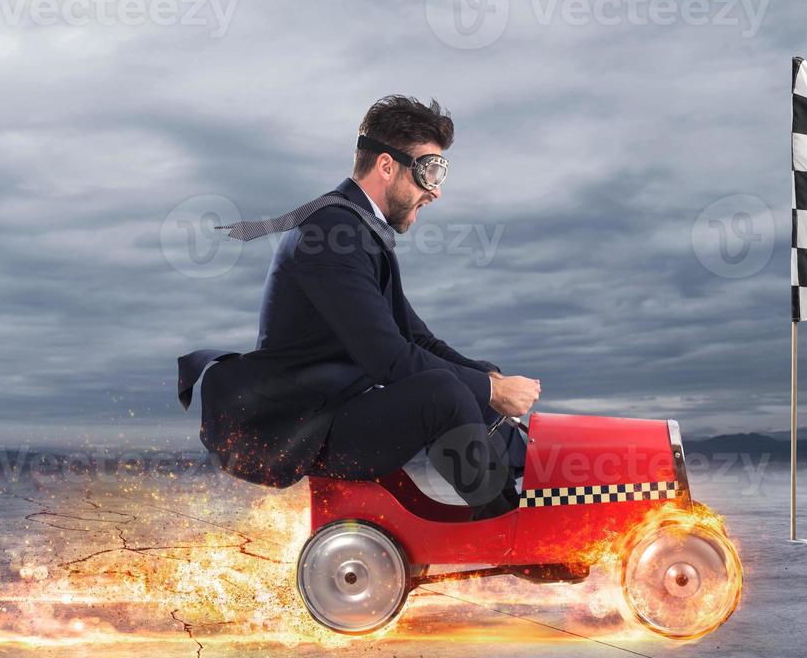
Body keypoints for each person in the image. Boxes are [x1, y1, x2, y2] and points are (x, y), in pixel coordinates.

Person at [179, 95, 540, 517]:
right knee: (441, 393)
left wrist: (489, 378)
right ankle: (504, 526)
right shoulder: (329, 232)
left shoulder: (353, 229)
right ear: (387, 166)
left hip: (334, 408)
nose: (436, 191)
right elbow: (389, 357)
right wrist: (493, 391)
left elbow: (416, 336)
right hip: (300, 427)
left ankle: (530, 478)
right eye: (429, 171)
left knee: (472, 372)